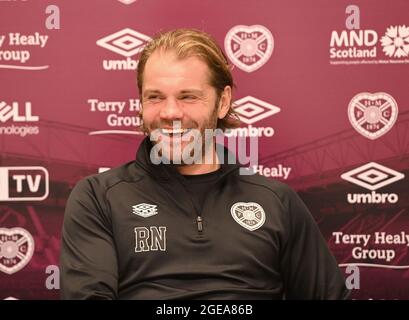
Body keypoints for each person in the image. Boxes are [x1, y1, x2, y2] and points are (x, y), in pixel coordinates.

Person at [60, 28, 349, 299]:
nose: (170, 112)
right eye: (155, 97)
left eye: (188, 97)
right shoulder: (98, 197)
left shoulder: (276, 201)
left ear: (222, 102)